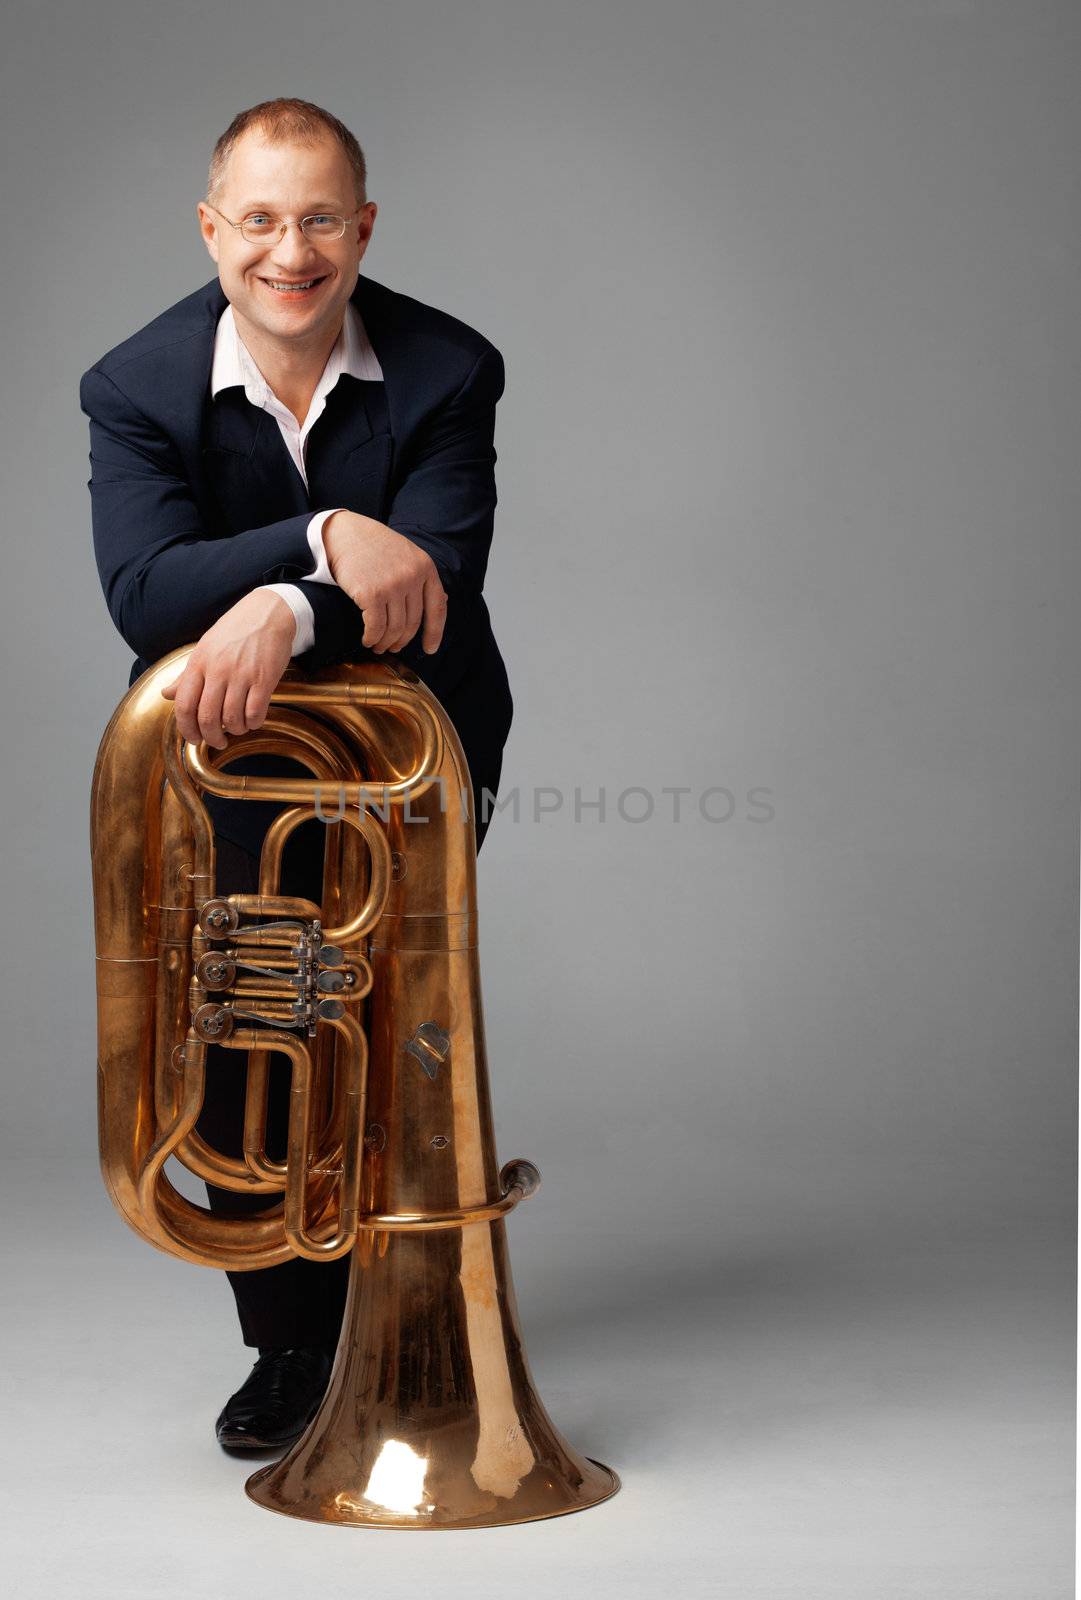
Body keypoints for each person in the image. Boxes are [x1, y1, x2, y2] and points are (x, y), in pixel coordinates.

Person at [80, 98, 513, 1453]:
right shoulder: (133, 387)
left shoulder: (449, 367)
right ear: (212, 228)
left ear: (363, 227)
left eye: (321, 217)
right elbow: (145, 594)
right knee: (247, 1044)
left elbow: (434, 583)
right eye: (259, 218)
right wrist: (325, 533)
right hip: (221, 765)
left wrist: (278, 608)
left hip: (415, 747)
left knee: (391, 1026)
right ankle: (290, 1344)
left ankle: (419, 1319)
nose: (291, 249)